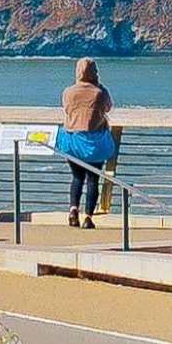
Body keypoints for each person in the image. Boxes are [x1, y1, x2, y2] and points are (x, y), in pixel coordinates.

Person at [57, 56, 115, 228]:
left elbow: (66, 109)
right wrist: (98, 85)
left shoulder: (68, 92)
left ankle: (73, 210)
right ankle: (88, 217)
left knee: (77, 177)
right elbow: (108, 107)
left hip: (73, 141)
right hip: (94, 143)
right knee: (92, 179)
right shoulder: (100, 92)